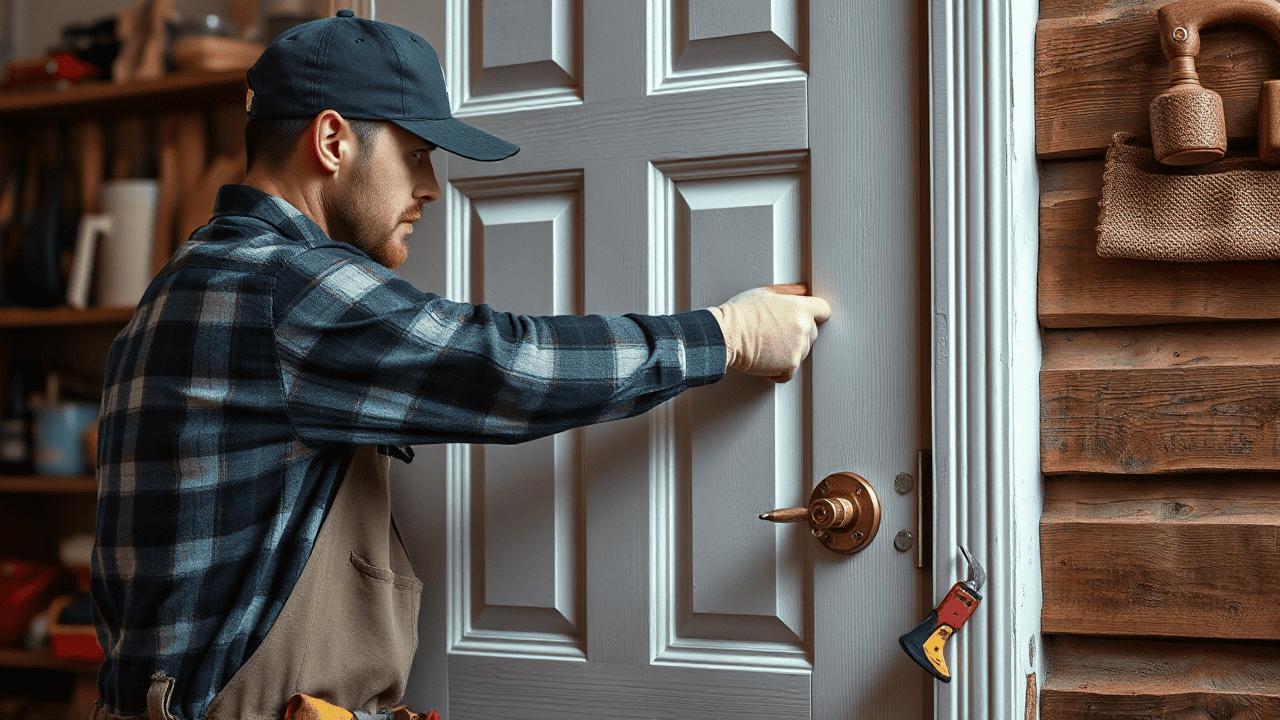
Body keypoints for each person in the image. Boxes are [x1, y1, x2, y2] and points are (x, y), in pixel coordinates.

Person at [90, 10, 831, 720]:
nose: (430, 189)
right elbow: (511, 366)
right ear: (332, 140)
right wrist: (725, 335)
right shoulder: (285, 287)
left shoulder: (184, 281)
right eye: (415, 154)